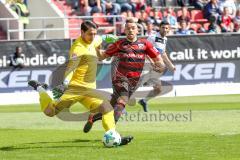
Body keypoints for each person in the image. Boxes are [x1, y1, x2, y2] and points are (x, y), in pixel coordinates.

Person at [28, 20, 131, 146]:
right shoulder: (78, 48)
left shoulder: (94, 39)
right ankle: (40, 89)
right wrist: (64, 84)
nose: (92, 37)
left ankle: (114, 137)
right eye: (90, 34)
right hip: (74, 89)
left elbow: (100, 38)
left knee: (107, 108)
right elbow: (71, 68)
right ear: (82, 32)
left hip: (89, 90)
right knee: (50, 112)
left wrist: (109, 38)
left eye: (94, 33)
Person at [83, 17, 166, 133]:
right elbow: (102, 56)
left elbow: (158, 59)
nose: (131, 30)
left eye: (133, 28)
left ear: (137, 30)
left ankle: (93, 118)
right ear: (124, 31)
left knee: (112, 107)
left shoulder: (145, 44)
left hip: (134, 81)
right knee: (122, 101)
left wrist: (160, 65)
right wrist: (98, 48)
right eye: (128, 29)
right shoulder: (119, 44)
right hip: (119, 78)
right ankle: (111, 133)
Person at [138, 21, 175, 112]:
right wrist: (151, 62)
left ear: (169, 29)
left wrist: (170, 65)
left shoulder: (165, 39)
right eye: (163, 27)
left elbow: (163, 54)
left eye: (167, 28)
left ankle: (143, 101)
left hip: (154, 68)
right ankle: (119, 105)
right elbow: (144, 50)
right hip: (145, 65)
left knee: (158, 89)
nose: (165, 30)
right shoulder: (152, 37)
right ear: (159, 28)